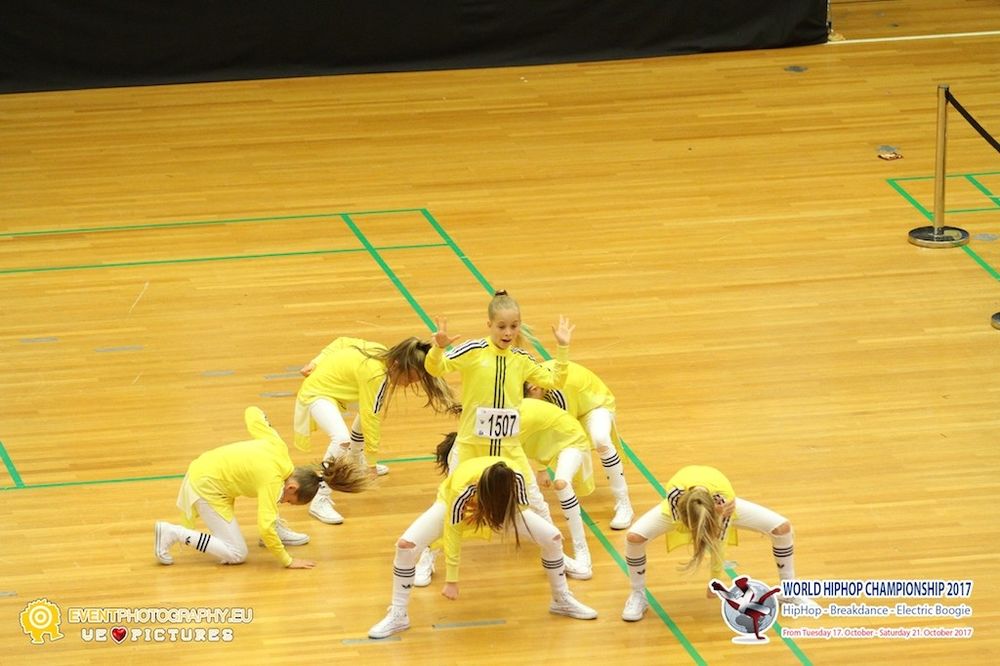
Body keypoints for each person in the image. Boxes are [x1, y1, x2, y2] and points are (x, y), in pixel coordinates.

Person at [367, 455, 598, 639]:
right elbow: (453, 532)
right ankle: (398, 614)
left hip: (503, 509)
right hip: (450, 505)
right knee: (406, 545)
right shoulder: (463, 488)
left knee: (553, 538)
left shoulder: (517, 477)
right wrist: (452, 580)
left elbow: (522, 508)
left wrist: (495, 516)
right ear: (480, 488)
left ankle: (561, 600)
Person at [423, 290, 572, 525]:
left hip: (508, 445)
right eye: (501, 327)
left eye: (514, 326)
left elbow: (555, 380)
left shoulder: (522, 359)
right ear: (489, 325)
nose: (508, 332)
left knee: (534, 499)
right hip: (470, 443)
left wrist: (563, 348)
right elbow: (436, 368)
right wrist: (438, 348)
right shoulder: (473, 350)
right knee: (448, 498)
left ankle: (555, 545)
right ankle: (430, 546)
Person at [154, 407, 370, 568]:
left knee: (242, 536)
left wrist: (265, 419)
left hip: (209, 473)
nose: (284, 502)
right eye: (289, 501)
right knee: (236, 553)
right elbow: (264, 527)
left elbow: (252, 413)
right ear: (292, 488)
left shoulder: (279, 448)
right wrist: (288, 561)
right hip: (205, 487)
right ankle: (173, 533)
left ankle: (276, 531)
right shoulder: (272, 482)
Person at [294, 336, 456, 525]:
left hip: (336, 393)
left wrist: (316, 361)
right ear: (397, 365)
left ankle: (355, 459)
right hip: (316, 394)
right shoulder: (376, 375)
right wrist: (371, 462)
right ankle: (319, 498)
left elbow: (343, 341)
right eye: (410, 378)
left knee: (367, 407)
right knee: (341, 439)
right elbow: (371, 418)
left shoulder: (380, 351)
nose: (407, 384)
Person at [620, 464, 815, 622]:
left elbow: (719, 539)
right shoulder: (674, 495)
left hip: (718, 508)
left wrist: (715, 578)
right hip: (678, 511)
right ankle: (638, 594)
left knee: (781, 528)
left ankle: (790, 591)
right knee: (634, 537)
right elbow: (684, 526)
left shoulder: (724, 500)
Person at [533, 360, 635, 530]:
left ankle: (624, 504)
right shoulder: (530, 385)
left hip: (594, 406)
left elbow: (564, 429)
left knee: (601, 439)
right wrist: (541, 468)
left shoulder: (558, 390)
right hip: (572, 410)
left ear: (535, 388)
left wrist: (543, 466)